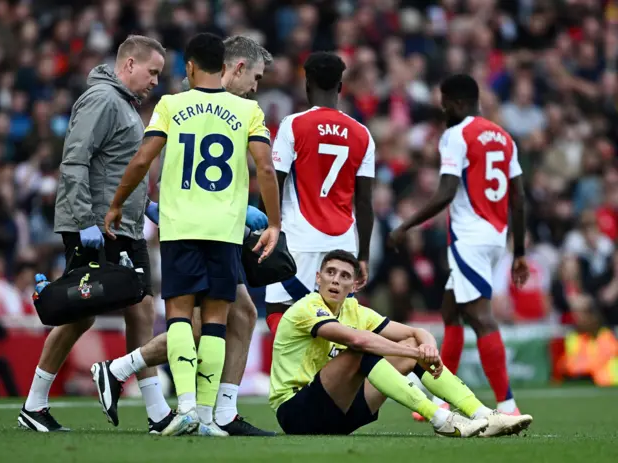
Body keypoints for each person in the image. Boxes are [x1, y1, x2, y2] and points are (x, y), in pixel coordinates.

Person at [92, 35, 276, 436]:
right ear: (230, 66)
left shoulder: (172, 104)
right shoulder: (247, 110)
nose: (256, 86)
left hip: (180, 228)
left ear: (190, 66)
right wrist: (274, 222)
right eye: (256, 77)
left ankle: (190, 408)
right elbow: (264, 168)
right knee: (216, 320)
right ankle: (212, 415)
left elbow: (143, 158)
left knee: (180, 318)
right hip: (224, 230)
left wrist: (117, 203)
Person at [17, 35, 169, 433]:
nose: (156, 80)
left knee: (142, 309)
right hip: (99, 225)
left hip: (122, 225)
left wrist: (146, 205)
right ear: (129, 64)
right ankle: (34, 404)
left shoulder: (123, 103)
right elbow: (76, 159)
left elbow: (119, 165)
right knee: (81, 313)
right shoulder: (103, 99)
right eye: (152, 71)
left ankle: (156, 413)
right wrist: (84, 219)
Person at [271, 249, 533, 436]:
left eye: (344, 276)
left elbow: (417, 333)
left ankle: (483, 415)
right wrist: (414, 352)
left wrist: (427, 347)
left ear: (354, 286)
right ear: (318, 278)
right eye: (330, 273)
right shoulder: (307, 307)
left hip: (341, 415)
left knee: (406, 347)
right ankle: (441, 418)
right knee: (362, 350)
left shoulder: (354, 309)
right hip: (296, 412)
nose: (336, 280)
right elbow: (357, 339)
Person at [389, 74, 530, 416]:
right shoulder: (504, 137)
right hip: (495, 237)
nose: (441, 108)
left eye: (445, 101)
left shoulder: (456, 135)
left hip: (470, 238)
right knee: (451, 313)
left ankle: (507, 404)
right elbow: (519, 197)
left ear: (458, 103)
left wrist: (405, 225)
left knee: (481, 317)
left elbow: (446, 192)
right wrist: (520, 251)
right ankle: (438, 398)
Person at [262, 52, 375, 337]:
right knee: (337, 324)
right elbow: (364, 202)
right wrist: (363, 256)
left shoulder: (294, 125)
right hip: (343, 243)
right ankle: (328, 381)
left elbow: (274, 181)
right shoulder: (362, 133)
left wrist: (272, 227)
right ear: (340, 87)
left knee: (281, 312)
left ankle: (294, 381)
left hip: (299, 238)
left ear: (307, 84)